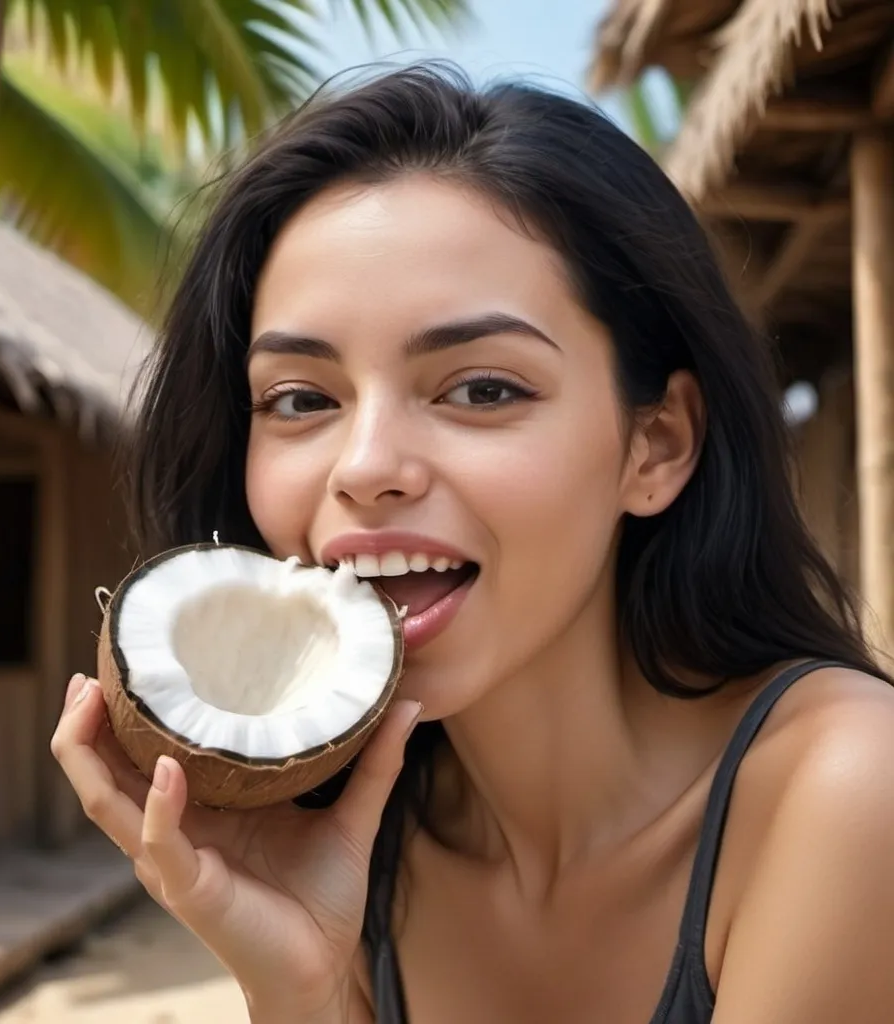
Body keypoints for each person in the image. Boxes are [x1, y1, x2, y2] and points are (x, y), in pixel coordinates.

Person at [50, 64, 894, 1023]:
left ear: (654, 444)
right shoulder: (364, 844)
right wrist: (298, 988)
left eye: (483, 388)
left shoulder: (850, 794)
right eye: (300, 399)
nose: (364, 468)